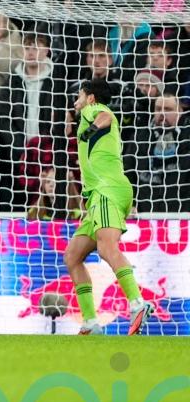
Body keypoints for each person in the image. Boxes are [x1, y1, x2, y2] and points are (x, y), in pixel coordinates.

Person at [65, 78, 154, 336]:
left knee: (106, 248)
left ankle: (137, 302)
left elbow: (104, 116)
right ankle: (91, 323)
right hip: (100, 195)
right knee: (73, 257)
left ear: (90, 97)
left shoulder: (94, 109)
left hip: (107, 190)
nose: (76, 102)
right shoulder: (86, 115)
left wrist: (90, 129)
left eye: (79, 96)